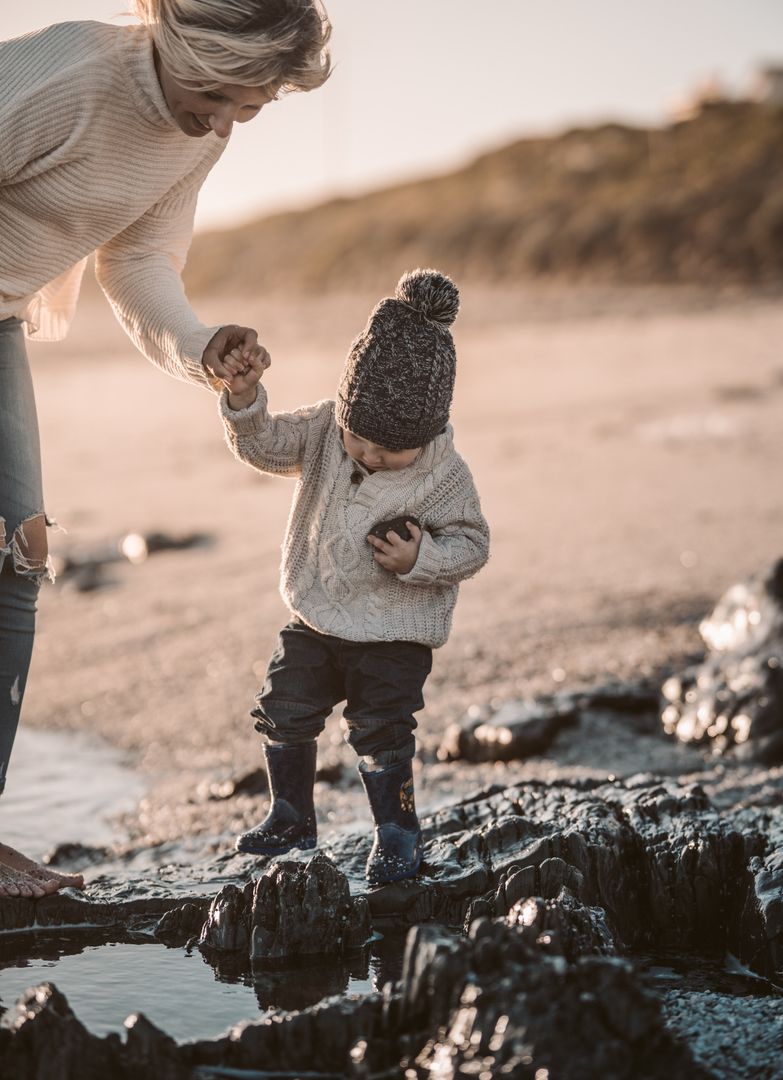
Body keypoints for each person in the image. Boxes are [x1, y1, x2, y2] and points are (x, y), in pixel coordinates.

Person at [0, 0, 331, 898]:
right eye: (222, 93)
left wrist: (201, 344)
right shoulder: (71, 74)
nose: (225, 121)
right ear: (188, 42)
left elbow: (138, 258)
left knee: (19, 557)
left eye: (250, 107)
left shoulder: (198, 130)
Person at [219, 268, 490, 885]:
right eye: (359, 436)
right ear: (344, 407)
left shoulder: (444, 475)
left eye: (391, 450)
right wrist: (243, 401)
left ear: (426, 435)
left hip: (395, 633)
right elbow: (263, 447)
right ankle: (290, 813)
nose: (368, 454)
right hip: (316, 617)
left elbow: (473, 544)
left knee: (380, 730)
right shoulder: (322, 431)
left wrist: (420, 558)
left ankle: (397, 834)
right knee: (282, 705)